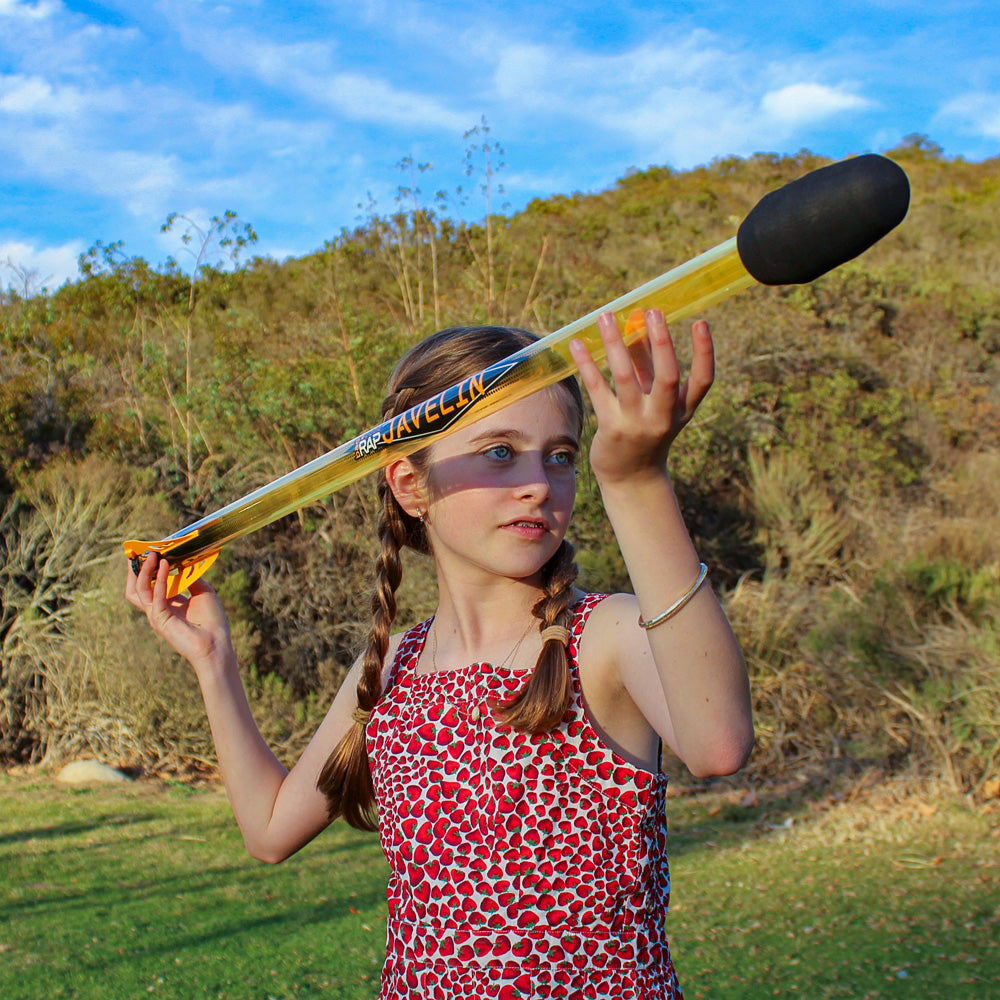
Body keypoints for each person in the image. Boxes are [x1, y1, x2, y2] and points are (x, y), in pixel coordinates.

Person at [126, 308, 753, 999]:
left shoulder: (607, 635)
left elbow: (718, 744)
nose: (539, 483)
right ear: (410, 484)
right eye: (499, 452)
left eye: (561, 456)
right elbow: (270, 832)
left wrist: (637, 482)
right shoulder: (393, 666)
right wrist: (213, 661)